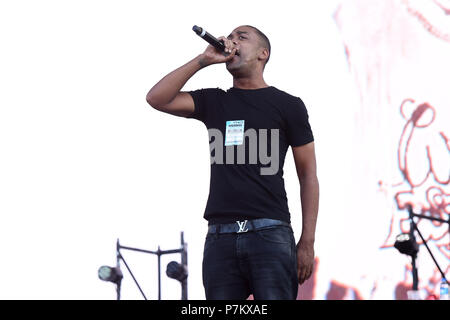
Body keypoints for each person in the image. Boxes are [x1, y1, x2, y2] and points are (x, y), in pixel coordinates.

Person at [146, 25, 319, 300]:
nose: (232, 41)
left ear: (264, 53)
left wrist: (307, 240)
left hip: (270, 232)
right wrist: (202, 60)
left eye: (242, 37)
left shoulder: (288, 105)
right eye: (231, 36)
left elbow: (308, 174)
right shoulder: (215, 101)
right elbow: (157, 98)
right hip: (220, 237)